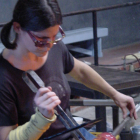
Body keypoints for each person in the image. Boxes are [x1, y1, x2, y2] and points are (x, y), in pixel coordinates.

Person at [0, 0, 137, 140]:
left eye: (55, 37)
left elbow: (81, 72)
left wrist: (114, 94)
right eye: (41, 40)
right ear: (17, 27)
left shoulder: (54, 48)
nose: (49, 46)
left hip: (74, 134)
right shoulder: (4, 78)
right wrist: (41, 119)